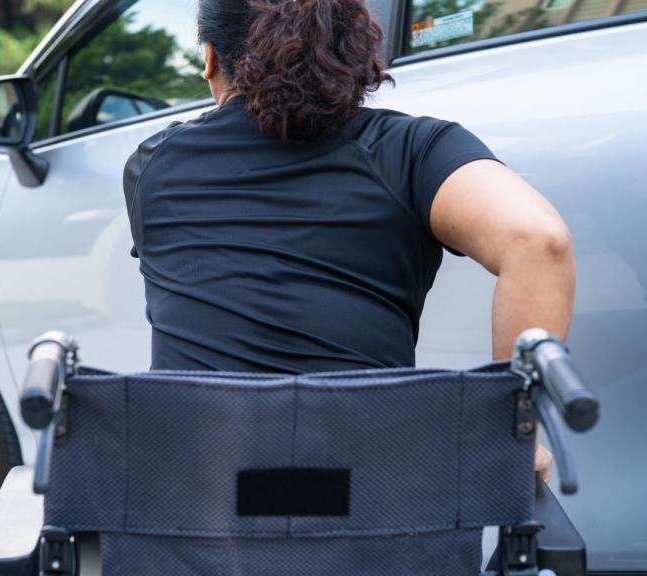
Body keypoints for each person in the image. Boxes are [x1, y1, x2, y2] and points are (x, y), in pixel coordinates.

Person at [124, 0, 571, 486]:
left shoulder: (153, 166)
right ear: (353, 49)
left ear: (210, 58)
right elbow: (537, 242)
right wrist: (512, 432)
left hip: (191, 515)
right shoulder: (413, 151)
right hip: (370, 514)